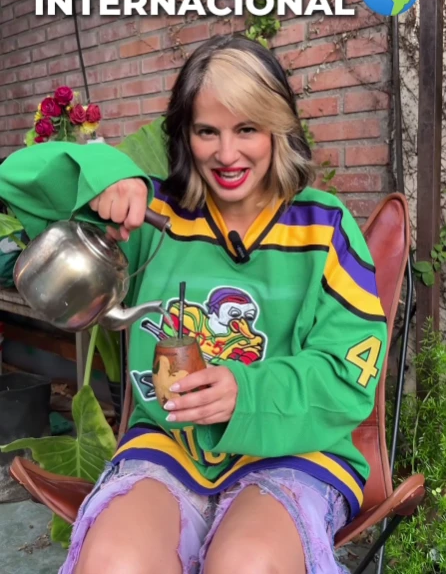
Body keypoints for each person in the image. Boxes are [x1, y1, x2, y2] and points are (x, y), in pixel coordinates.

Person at [0, 35, 387, 574]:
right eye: (207, 131)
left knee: (246, 563)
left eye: (247, 129)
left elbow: (350, 375)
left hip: (296, 450)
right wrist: (105, 174)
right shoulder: (150, 217)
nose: (226, 155)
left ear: (278, 128)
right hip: (168, 443)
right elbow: (17, 181)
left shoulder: (326, 229)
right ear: (184, 135)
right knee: (113, 561)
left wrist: (245, 393)